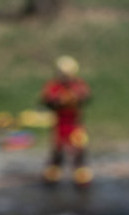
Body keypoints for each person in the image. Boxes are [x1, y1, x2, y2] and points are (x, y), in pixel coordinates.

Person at [39, 55, 92, 188]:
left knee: (79, 151)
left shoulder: (78, 85)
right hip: (60, 124)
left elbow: (86, 96)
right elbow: (47, 100)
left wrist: (75, 97)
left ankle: (81, 177)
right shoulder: (54, 86)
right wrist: (58, 100)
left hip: (75, 124)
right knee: (58, 151)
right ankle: (52, 176)